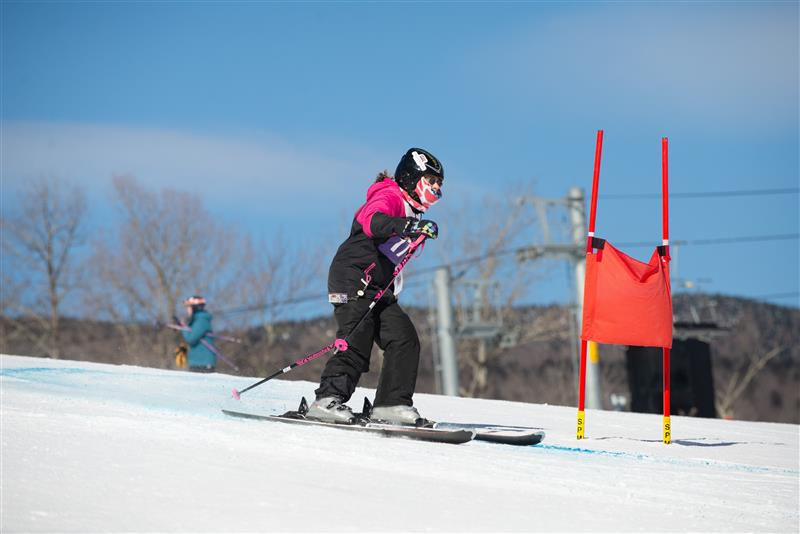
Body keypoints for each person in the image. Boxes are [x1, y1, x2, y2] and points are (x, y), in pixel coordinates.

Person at [307, 148, 443, 425]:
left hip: (378, 288)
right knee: (357, 336)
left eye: (439, 184)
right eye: (431, 181)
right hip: (352, 276)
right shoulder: (389, 195)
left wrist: (412, 229)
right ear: (411, 177)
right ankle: (327, 399)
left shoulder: (412, 213)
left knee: (404, 338)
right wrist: (407, 226)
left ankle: (392, 404)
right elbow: (372, 221)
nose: (436, 189)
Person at [180, 296, 217, 372]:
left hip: (203, 364)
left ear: (195, 308)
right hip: (197, 363)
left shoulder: (201, 320)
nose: (187, 310)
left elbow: (191, 339)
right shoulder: (196, 320)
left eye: (189, 307)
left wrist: (183, 328)